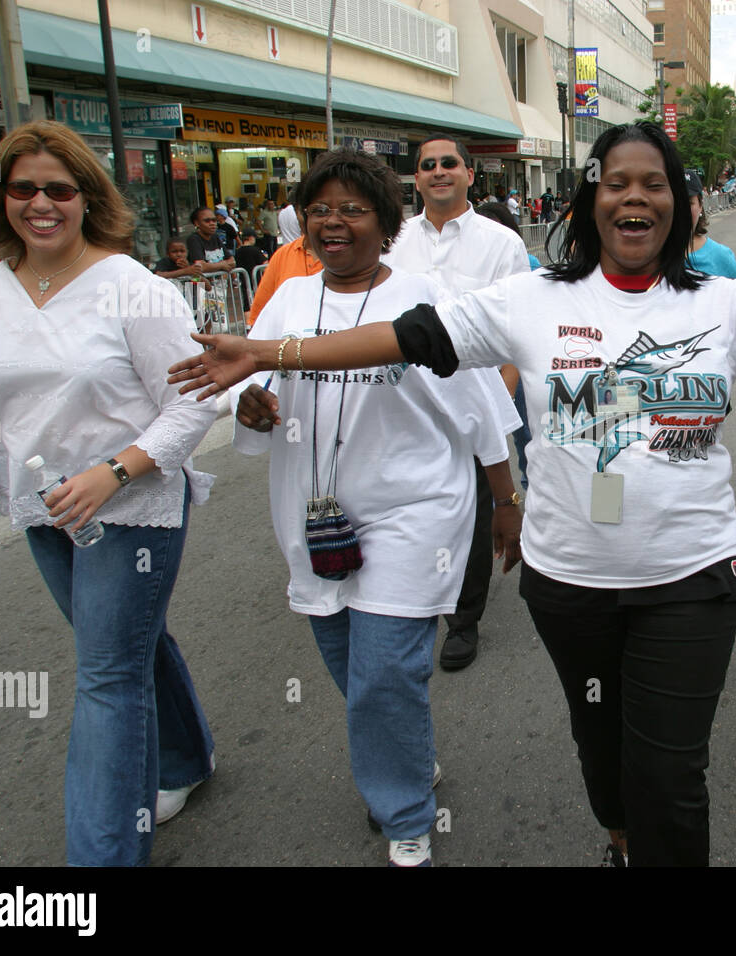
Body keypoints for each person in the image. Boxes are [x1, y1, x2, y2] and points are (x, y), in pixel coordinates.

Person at [170, 121, 736, 866]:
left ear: (676, 205)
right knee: (602, 750)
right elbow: (402, 337)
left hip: (690, 581)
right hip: (567, 582)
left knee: (673, 772)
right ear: (590, 202)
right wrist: (269, 350)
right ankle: (618, 837)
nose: (634, 195)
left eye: (653, 183)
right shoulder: (530, 300)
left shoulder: (722, 305)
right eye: (616, 181)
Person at [228, 149, 518, 867]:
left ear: (385, 223)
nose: (334, 222)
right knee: (353, 665)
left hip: (415, 509)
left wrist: (506, 498)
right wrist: (253, 405)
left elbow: (480, 406)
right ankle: (409, 756)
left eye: (352, 209)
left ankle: (406, 815)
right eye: (320, 209)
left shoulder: (425, 301)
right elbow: (251, 391)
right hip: (317, 512)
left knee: (384, 672)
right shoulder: (289, 302)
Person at [0, 119, 218, 865]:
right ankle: (189, 759)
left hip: (132, 511)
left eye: (58, 188)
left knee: (106, 677)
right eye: (23, 187)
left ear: (86, 197)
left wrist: (115, 471)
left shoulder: (134, 288)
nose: (41, 202)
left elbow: (196, 399)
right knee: (128, 647)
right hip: (41, 512)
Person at [384, 135, 531, 671]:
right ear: (416, 178)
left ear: (471, 174)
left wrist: (501, 400)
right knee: (411, 503)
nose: (439, 171)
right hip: (405, 406)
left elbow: (520, 332)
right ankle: (406, 596)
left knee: (475, 512)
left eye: (450, 163)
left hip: (475, 404)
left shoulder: (501, 243)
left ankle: (463, 621)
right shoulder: (392, 240)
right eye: (428, 166)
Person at [475, 200, 541, 496]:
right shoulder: (473, 268)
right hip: (482, 371)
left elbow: (528, 326)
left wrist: (509, 382)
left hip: (517, 371)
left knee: (526, 437)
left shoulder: (530, 266)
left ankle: (530, 490)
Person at [684, 171, 736, 278]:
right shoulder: (651, 257)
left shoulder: (721, 257)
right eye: (675, 202)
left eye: (688, 203)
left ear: (701, 205)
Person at [186, 206, 235, 273]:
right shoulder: (193, 239)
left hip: (221, 282)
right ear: (197, 223)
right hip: (199, 282)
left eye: (214, 220)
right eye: (207, 221)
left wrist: (215, 266)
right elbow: (200, 266)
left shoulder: (215, 237)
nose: (212, 223)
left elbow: (232, 261)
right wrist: (222, 265)